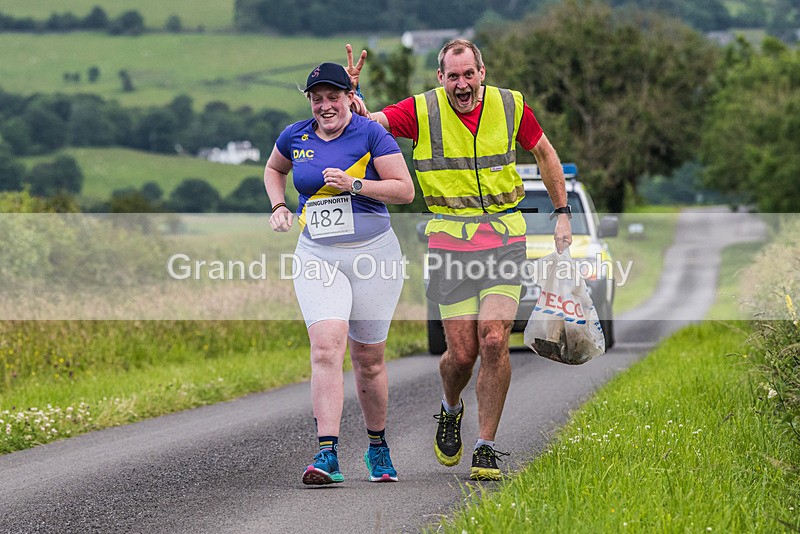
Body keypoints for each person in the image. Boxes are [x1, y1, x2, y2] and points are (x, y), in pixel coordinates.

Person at [346, 40, 573, 480]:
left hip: (504, 239)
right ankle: (450, 408)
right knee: (463, 355)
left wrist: (562, 213)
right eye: (454, 76)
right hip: (451, 245)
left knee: (494, 339)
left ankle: (485, 446)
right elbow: (369, 124)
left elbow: (545, 152)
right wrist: (355, 97)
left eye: (469, 74)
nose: (462, 84)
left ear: (482, 72)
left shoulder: (510, 106)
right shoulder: (422, 110)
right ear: (441, 78)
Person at [264, 62, 415, 485]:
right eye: (317, 99)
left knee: (368, 360)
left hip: (373, 256)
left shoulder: (371, 134)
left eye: (333, 97)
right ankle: (327, 454)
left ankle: (377, 447)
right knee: (326, 348)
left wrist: (355, 184)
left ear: (350, 97)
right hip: (317, 255)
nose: (325, 106)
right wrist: (278, 206)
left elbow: (404, 190)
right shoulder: (295, 136)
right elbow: (274, 169)